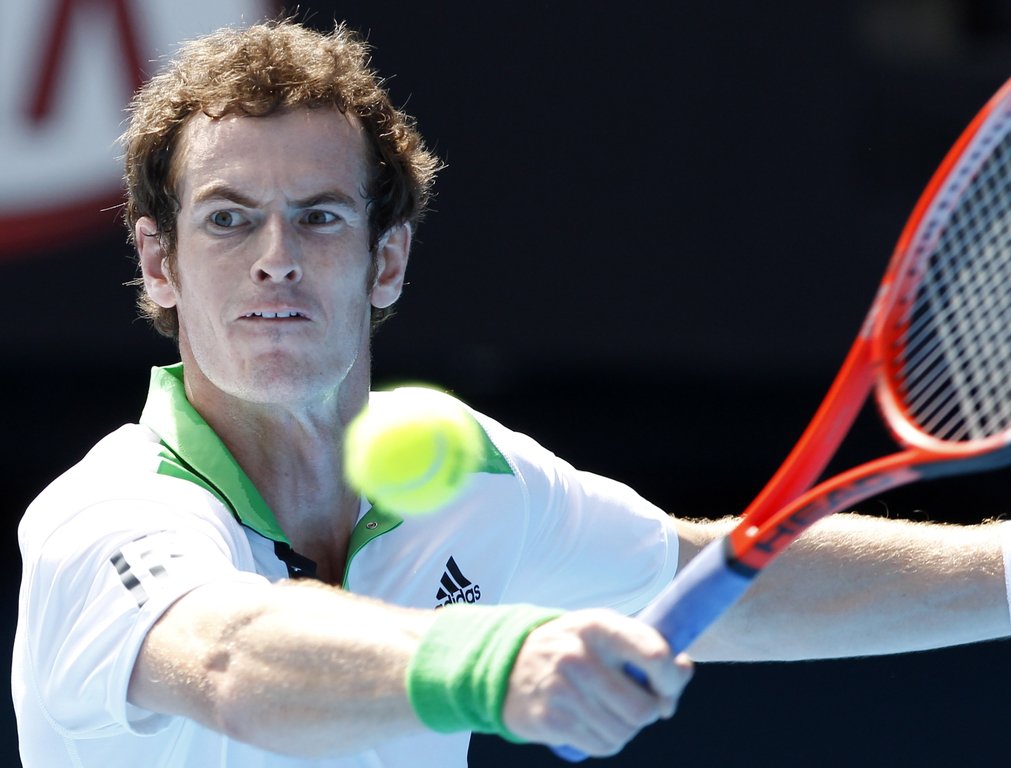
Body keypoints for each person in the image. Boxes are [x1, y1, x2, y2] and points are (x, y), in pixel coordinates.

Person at [11, 18, 1011, 768]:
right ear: (159, 263)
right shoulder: (106, 517)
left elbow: (714, 585)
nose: (277, 256)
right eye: (228, 220)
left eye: (320, 216)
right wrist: (495, 664)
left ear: (387, 261)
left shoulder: (475, 482)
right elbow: (231, 659)